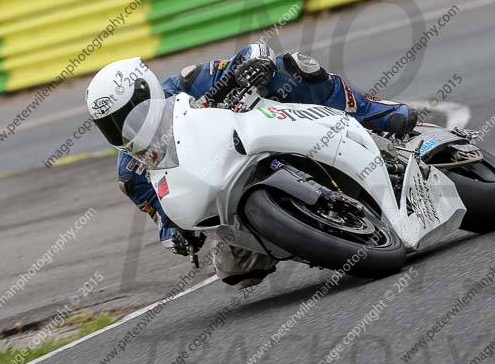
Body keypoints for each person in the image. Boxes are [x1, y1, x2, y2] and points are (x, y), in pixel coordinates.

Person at [85, 43, 418, 289]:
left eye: (130, 113)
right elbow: (163, 219)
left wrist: (254, 64)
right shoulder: (132, 174)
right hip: (223, 196)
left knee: (292, 67)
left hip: (260, 133)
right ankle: (309, 233)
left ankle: (372, 111)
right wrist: (177, 237)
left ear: (150, 92)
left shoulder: (186, 84)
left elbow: (251, 52)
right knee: (235, 272)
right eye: (113, 124)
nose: (127, 127)